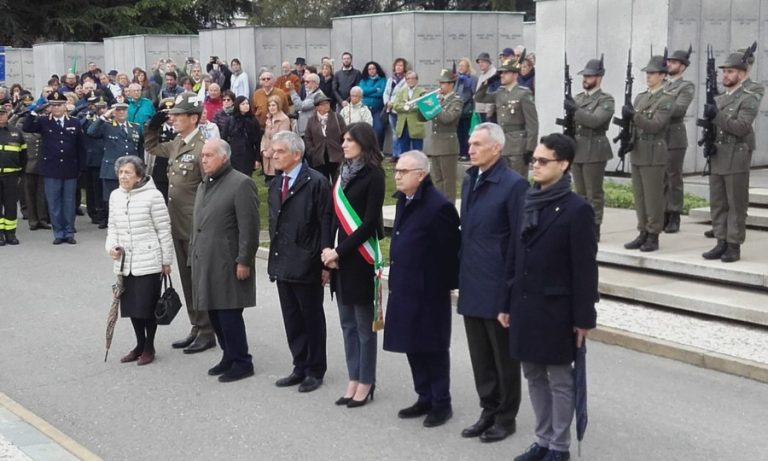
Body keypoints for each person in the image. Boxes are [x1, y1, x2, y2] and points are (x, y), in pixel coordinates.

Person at [502, 133, 597, 461]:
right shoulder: (527, 201)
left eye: (543, 161)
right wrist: (505, 302)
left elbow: (585, 269)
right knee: (533, 375)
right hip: (525, 304)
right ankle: (542, 440)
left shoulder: (577, 210)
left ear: (564, 164)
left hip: (557, 309)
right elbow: (514, 255)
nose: (535, 166)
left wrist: (584, 318)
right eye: (534, 160)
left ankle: (559, 447)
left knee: (558, 378)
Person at [458, 122, 528, 443]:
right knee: (480, 356)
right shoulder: (471, 179)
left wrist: (510, 293)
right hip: (472, 281)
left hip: (498, 285)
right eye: (470, 143)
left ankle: (505, 417)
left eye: (477, 144)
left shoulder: (514, 186)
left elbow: (518, 243)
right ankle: (487, 410)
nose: (470, 149)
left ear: (496, 148)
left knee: (503, 359)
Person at [383, 150, 460, 427]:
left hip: (429, 290)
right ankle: (424, 395)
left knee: (432, 347)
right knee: (411, 345)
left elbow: (450, 253)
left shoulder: (438, 207)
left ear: (421, 174)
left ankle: (441, 402)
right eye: (396, 171)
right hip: (404, 286)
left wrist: (441, 287)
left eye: (404, 171)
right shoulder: (406, 200)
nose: (398, 176)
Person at [144, 91, 216, 353]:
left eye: (178, 115)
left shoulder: (203, 147)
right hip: (178, 223)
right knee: (186, 279)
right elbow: (151, 147)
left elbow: (210, 188)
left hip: (197, 224)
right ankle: (196, 326)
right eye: (171, 115)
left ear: (193, 118)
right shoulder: (177, 142)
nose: (172, 119)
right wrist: (152, 126)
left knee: (198, 279)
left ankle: (208, 330)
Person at [321, 122, 385, 408]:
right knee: (346, 323)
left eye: (349, 140)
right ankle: (353, 377)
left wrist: (339, 252)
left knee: (362, 325)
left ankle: (366, 381)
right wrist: (326, 249)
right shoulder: (340, 173)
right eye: (343, 139)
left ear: (363, 142)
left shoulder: (374, 175)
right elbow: (332, 216)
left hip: (358, 258)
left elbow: (370, 222)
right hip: (338, 258)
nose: (344, 144)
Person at [268, 131, 332, 393]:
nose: (274, 155)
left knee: (311, 318)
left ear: (297, 154)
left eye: (280, 151)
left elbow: (325, 222)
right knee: (292, 318)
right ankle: (299, 365)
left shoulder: (316, 182)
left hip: (307, 262)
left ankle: (315, 369)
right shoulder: (275, 184)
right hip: (283, 261)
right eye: (274, 151)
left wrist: (325, 263)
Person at [192, 139, 260, 383]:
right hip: (207, 259)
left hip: (228, 261)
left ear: (224, 157)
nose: (204, 159)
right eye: (203, 156)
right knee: (214, 311)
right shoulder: (205, 184)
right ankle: (228, 355)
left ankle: (242, 361)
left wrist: (244, 260)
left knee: (229, 312)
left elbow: (249, 228)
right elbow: (198, 225)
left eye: (209, 155)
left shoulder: (241, 183)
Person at [105, 156, 173, 366]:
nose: (123, 176)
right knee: (132, 307)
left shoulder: (153, 196)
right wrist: (111, 248)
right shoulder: (116, 196)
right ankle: (139, 344)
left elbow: (163, 229)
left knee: (147, 306)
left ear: (139, 176)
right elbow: (113, 227)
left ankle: (149, 346)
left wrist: (166, 260)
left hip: (149, 260)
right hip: (125, 262)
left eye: (128, 172)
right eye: (120, 172)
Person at [701, 50, 761, 263]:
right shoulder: (718, 98)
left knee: (736, 202)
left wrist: (716, 116)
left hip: (736, 153)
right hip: (718, 154)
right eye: (724, 71)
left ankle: (733, 245)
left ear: (742, 74)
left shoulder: (749, 98)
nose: (725, 75)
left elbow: (741, 127)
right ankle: (720, 241)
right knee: (718, 201)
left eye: (730, 71)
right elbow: (712, 126)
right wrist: (706, 139)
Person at [622, 55, 674, 253]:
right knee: (640, 196)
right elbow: (635, 126)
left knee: (653, 197)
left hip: (654, 152)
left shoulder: (666, 99)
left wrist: (634, 116)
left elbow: (655, 125)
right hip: (638, 151)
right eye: (648, 73)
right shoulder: (641, 97)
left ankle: (653, 234)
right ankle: (642, 230)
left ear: (662, 76)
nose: (648, 77)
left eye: (652, 73)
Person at [22, 90, 83, 245]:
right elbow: (28, 127)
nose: (56, 108)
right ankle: (58, 232)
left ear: (65, 106)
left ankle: (69, 232)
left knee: (69, 202)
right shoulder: (44, 121)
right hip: (51, 168)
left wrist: (80, 168)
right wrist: (35, 110)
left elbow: (80, 147)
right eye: (53, 105)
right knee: (54, 203)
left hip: (70, 168)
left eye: (59, 105)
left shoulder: (74, 122)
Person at [564, 56, 615, 241]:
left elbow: (595, 121)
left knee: (594, 193)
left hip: (594, 148)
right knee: (580, 193)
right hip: (578, 148)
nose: (585, 79)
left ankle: (595, 226)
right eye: (584, 76)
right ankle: (581, 224)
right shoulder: (577, 98)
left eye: (589, 76)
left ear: (599, 77)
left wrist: (574, 110)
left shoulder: (606, 100)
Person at [475, 56, 539, 178]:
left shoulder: (524, 93)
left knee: (518, 180)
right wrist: (487, 82)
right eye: (501, 73)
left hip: (518, 146)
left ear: (515, 75)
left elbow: (532, 123)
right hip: (502, 143)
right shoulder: (499, 92)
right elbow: (479, 98)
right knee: (504, 180)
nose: (502, 75)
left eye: (506, 72)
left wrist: (530, 148)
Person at [663, 48, 695, 234]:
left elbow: (678, 110)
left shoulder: (686, 86)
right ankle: (663, 213)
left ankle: (674, 214)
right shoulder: (663, 85)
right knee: (661, 177)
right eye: (669, 61)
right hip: (659, 136)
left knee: (673, 177)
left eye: (674, 62)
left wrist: (659, 105)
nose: (669, 64)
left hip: (674, 137)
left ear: (682, 67)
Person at [87, 102, 144, 205]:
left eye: (124, 109)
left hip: (131, 170)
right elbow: (91, 132)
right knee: (112, 201)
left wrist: (140, 166)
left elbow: (140, 148)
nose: (121, 112)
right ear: (113, 112)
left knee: (131, 200)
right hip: (111, 170)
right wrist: (104, 116)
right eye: (118, 110)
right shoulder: (106, 126)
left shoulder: (136, 127)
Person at [10, 95, 49, 231]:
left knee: (41, 195)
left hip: (42, 166)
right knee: (29, 195)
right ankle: (33, 220)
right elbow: (9, 126)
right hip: (28, 166)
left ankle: (42, 219)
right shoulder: (22, 128)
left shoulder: (43, 127)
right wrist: (17, 113)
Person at [425, 69, 463, 202]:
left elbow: (448, 118)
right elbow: (424, 117)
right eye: (440, 83)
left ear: (451, 84)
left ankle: (449, 209)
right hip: (435, 144)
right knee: (437, 180)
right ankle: (439, 206)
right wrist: (422, 106)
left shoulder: (456, 101)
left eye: (443, 83)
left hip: (448, 145)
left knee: (448, 181)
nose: (440, 86)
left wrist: (434, 106)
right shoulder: (439, 99)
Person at [304, 91, 347, 183]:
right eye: (323, 104)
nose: (326, 106)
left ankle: (336, 197)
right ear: (317, 107)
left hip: (336, 154)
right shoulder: (311, 120)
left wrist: (343, 149)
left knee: (337, 181)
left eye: (327, 103)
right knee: (323, 181)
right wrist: (312, 151)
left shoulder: (337, 117)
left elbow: (345, 134)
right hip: (319, 156)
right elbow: (308, 137)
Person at [0, 105, 27, 245]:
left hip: (12, 176)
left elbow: (24, 155)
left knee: (11, 205)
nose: (0, 116)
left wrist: (20, 174)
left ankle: (10, 234)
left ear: (7, 114)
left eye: (2, 113)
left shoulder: (16, 132)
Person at [220, 95, 261, 178]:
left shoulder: (253, 120)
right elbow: (224, 138)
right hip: (234, 154)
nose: (246, 106)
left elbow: (258, 140)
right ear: (237, 105)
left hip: (248, 154)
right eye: (243, 104)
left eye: (247, 103)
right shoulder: (231, 120)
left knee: (246, 177)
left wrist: (258, 158)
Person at [391, 71, 426, 154]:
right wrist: (405, 107)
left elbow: (422, 105)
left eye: (412, 78)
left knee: (417, 153)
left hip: (416, 126)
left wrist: (410, 107)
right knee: (404, 153)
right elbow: (396, 105)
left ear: (417, 80)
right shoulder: (401, 91)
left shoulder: (422, 91)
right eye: (408, 79)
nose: (410, 80)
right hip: (403, 126)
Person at [259, 96, 290, 183]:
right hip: (266, 154)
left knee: (277, 181)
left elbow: (280, 139)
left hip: (276, 153)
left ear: (278, 105)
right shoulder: (269, 118)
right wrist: (263, 150)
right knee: (268, 181)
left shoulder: (284, 119)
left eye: (273, 105)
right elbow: (265, 136)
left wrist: (269, 152)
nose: (271, 108)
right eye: (269, 106)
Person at [383, 58, 408, 159]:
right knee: (395, 133)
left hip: (400, 109)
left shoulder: (406, 80)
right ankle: (395, 154)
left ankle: (402, 154)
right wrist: (387, 102)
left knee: (402, 133)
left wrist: (394, 103)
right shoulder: (391, 79)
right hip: (391, 110)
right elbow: (386, 92)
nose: (398, 67)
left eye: (401, 65)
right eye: (397, 65)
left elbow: (404, 95)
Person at [360, 61, 387, 150]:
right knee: (364, 130)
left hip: (377, 109)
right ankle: (365, 150)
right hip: (365, 109)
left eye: (373, 69)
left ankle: (378, 150)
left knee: (379, 129)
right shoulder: (363, 80)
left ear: (377, 69)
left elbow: (381, 93)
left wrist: (367, 93)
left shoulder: (382, 80)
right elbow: (361, 91)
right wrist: (375, 89)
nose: (371, 71)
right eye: (369, 69)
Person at [455, 57, 478, 161]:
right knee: (459, 132)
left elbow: (474, 91)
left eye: (463, 66)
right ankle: (460, 152)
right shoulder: (457, 78)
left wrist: (467, 82)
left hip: (466, 109)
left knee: (466, 132)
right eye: (459, 66)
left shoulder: (472, 78)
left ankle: (467, 153)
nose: (460, 68)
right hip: (457, 109)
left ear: (468, 67)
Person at [475, 53, 498, 123]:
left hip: (488, 111)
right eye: (479, 62)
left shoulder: (493, 74)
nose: (480, 64)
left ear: (488, 62)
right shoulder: (482, 75)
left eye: (482, 62)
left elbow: (493, 92)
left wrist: (490, 110)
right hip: (481, 109)